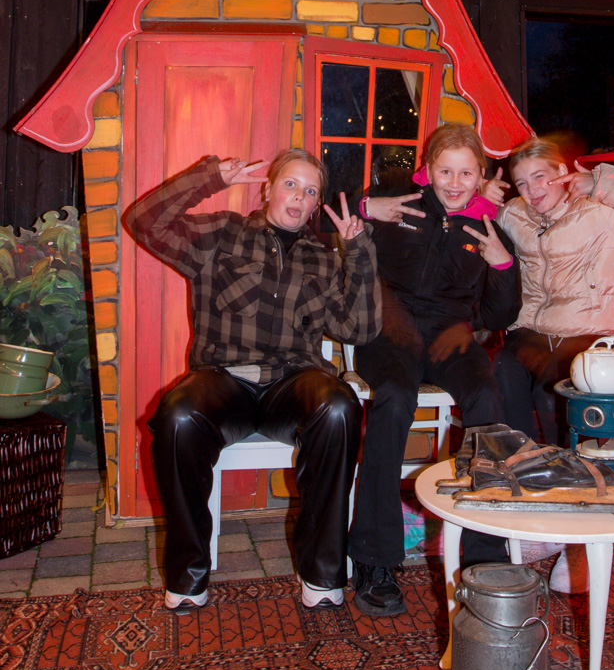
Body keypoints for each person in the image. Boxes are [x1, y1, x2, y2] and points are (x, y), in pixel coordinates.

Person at [128, 149, 380, 612]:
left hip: (293, 383)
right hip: (224, 380)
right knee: (179, 416)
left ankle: (322, 573)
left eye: (310, 191)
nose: (299, 198)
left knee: (340, 407)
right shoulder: (223, 235)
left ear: (315, 203)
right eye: (290, 185)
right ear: (267, 189)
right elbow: (144, 222)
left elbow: (358, 330)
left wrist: (358, 253)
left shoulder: (323, 259)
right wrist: (209, 178)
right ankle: (188, 575)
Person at [484, 136, 614, 591]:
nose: (532, 191)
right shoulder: (516, 215)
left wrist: (603, 183)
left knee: (554, 395)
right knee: (503, 378)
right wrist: (482, 197)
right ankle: (529, 501)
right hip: (533, 331)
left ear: (562, 172)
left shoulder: (604, 210)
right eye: (521, 183)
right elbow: (470, 222)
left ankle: (578, 537)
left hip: (591, 333)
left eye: (540, 177)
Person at [347, 124, 520, 618]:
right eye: (445, 171)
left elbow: (500, 315)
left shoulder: (488, 227)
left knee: (487, 400)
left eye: (466, 173)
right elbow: (325, 216)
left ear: (481, 174)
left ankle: (485, 557)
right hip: (390, 331)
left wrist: (502, 266)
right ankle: (375, 559)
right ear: (428, 169)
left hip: (450, 336)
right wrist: (366, 207)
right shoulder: (399, 202)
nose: (454, 182)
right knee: (395, 397)